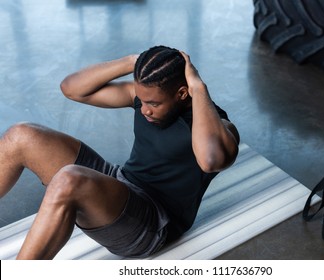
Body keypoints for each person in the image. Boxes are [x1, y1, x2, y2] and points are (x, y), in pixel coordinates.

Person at [0, 46, 240, 259]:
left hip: (152, 223)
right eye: (142, 101)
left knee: (68, 178)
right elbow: (72, 89)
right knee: (21, 135)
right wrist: (132, 62)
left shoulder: (221, 129)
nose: (144, 110)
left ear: (182, 93)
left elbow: (210, 161)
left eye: (153, 104)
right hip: (120, 187)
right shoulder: (146, 98)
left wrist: (198, 87)